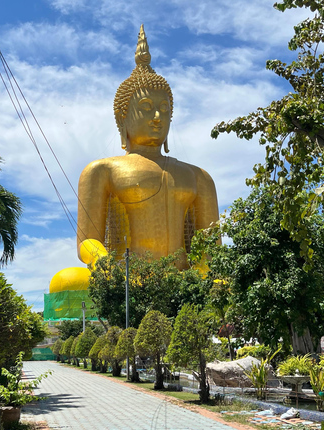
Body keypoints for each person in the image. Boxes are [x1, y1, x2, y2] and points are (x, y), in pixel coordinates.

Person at [76, 25, 219, 268]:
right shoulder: (103, 170)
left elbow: (210, 247)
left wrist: (205, 283)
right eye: (145, 107)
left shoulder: (199, 177)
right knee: (66, 280)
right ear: (123, 118)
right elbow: (87, 241)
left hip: (184, 281)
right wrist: (108, 267)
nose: (156, 116)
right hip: (127, 278)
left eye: (164, 109)